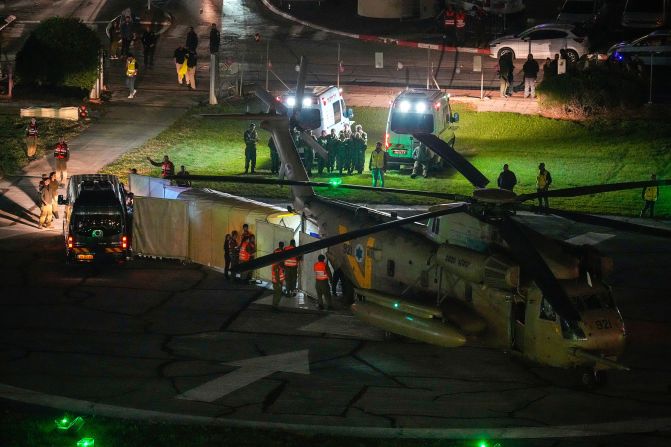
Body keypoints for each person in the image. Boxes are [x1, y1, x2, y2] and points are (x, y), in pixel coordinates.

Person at [271, 241, 286, 310]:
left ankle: (275, 305)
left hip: (277, 281)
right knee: (277, 294)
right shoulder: (277, 266)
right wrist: (279, 283)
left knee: (277, 293)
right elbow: (277, 275)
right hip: (277, 282)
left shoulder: (275, 251)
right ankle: (275, 306)